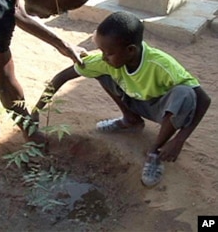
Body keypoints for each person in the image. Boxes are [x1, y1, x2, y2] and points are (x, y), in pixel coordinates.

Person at [32, 11, 211, 187]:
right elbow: (61, 77)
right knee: (102, 73)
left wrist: (179, 140)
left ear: (131, 50)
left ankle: (155, 152)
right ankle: (130, 120)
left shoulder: (161, 65)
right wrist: (36, 110)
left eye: (108, 53)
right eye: (102, 51)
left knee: (185, 94)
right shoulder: (106, 60)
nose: (103, 57)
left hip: (162, 110)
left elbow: (204, 100)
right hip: (135, 100)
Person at [0, 0, 95, 146]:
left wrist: (62, 44)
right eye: (60, 8)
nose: (55, 14)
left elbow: (15, 8)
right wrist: (30, 131)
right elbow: (4, 83)